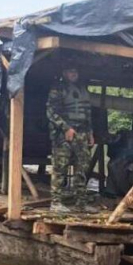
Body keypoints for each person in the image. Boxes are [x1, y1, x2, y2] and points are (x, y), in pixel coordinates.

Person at [46, 62, 96, 213]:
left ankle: (81, 203)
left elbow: (87, 113)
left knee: (82, 169)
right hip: (64, 135)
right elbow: (50, 112)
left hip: (82, 133)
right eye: (70, 71)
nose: (73, 74)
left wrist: (90, 133)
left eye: (75, 71)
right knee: (60, 168)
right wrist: (66, 128)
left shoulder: (83, 89)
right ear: (64, 73)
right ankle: (55, 202)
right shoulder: (58, 89)